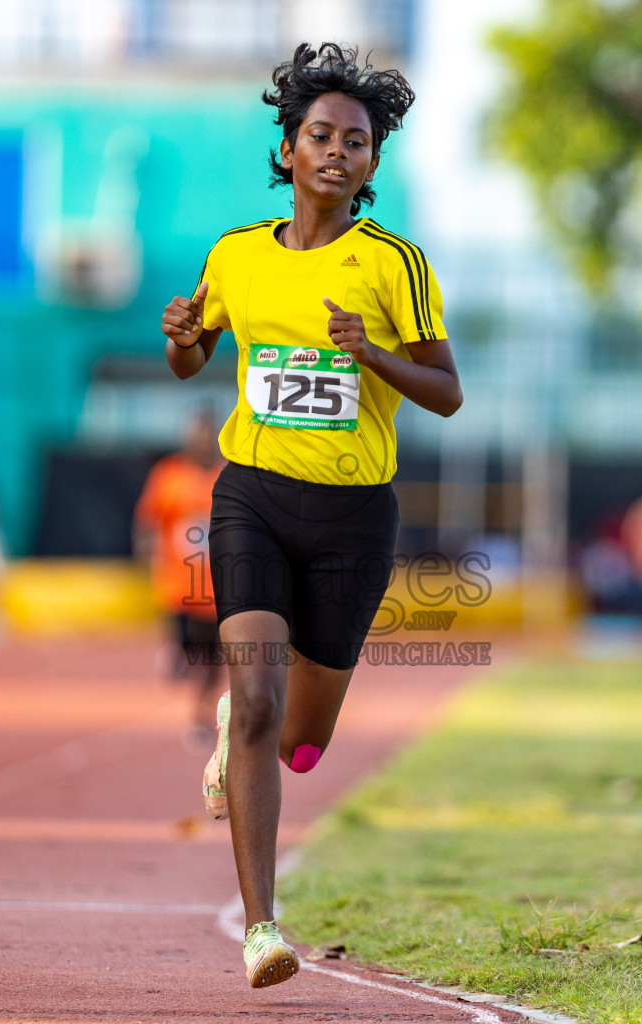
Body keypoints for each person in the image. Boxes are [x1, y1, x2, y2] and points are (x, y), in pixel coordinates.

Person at [158, 42, 462, 990]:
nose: (336, 152)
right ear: (288, 149)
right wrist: (180, 341)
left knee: (299, 742)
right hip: (249, 496)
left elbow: (447, 393)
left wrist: (372, 353)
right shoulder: (235, 255)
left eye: (356, 142)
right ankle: (261, 929)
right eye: (319, 135)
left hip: (352, 516)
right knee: (256, 700)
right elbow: (191, 358)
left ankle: (247, 726)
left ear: (373, 164)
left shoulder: (394, 264)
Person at [133, 409, 225, 743]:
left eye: (206, 433)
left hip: (216, 587)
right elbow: (148, 517)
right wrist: (144, 552)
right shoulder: (169, 474)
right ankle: (175, 653)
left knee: (213, 658)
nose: (201, 439)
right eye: (195, 433)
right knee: (187, 655)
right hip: (177, 584)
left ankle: (202, 715)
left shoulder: (225, 475)